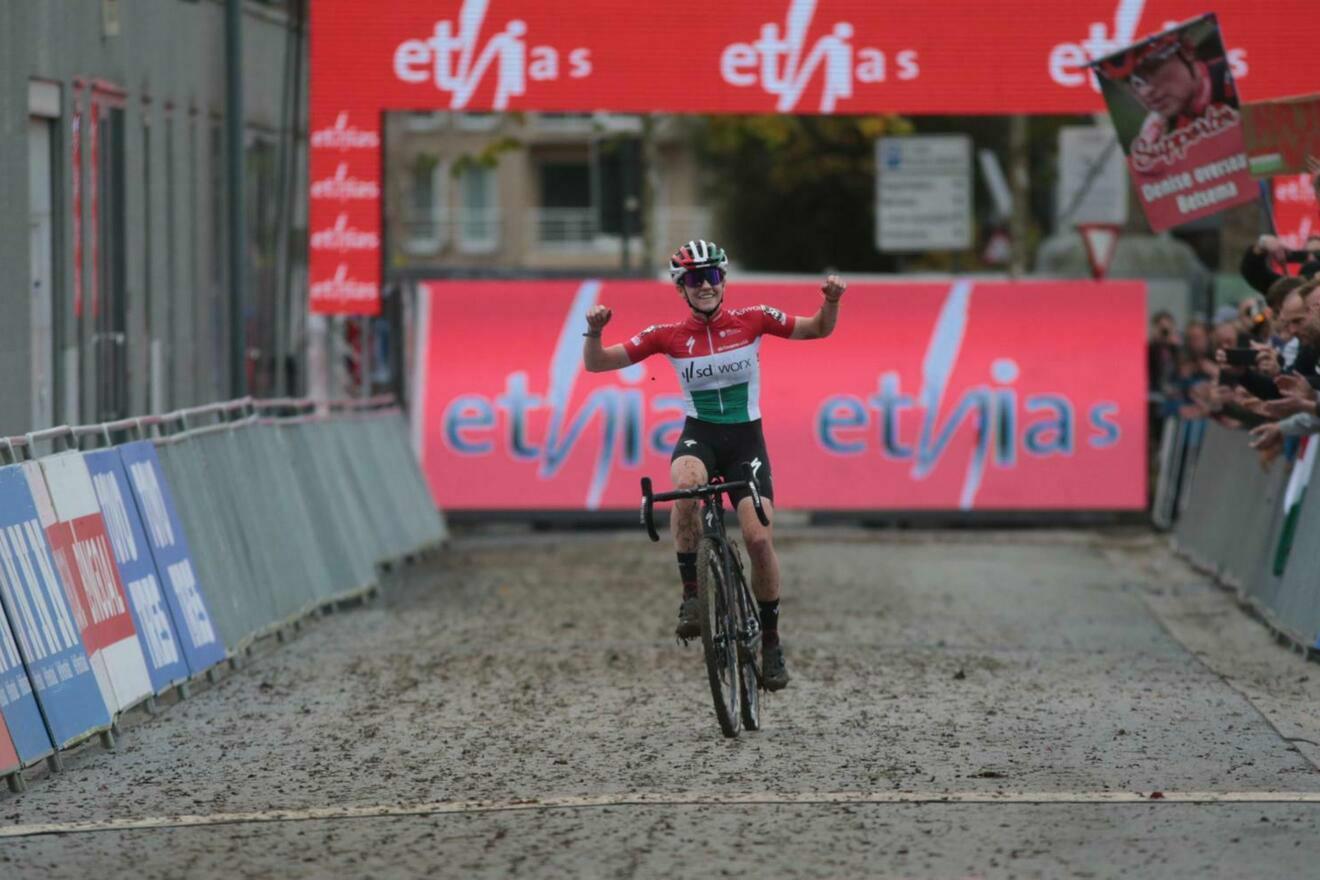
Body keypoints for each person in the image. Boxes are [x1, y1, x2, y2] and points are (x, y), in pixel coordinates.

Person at [581, 239, 846, 691]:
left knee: (759, 540)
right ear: (681, 288)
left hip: (746, 440)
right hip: (699, 434)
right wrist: (595, 332)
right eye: (693, 279)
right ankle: (690, 597)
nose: (704, 285)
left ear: (723, 280)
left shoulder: (753, 319)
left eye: (711, 276)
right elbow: (597, 365)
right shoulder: (668, 334)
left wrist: (831, 300)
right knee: (684, 487)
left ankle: (771, 641)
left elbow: (819, 329)